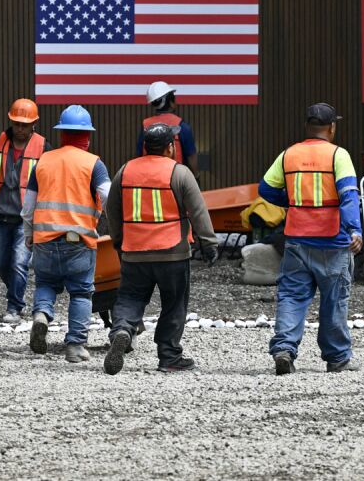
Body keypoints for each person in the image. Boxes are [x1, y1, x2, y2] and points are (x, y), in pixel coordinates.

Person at [103, 123, 218, 375]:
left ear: (145, 147)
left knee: (130, 297)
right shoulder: (180, 173)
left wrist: (118, 242)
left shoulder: (125, 172)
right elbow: (198, 211)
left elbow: (112, 211)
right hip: (173, 253)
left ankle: (122, 329)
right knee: (174, 304)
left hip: (134, 252)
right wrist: (209, 243)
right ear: (170, 147)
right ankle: (169, 356)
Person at [258, 103, 364, 375]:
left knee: (292, 296)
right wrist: (355, 230)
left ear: (307, 126)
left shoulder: (288, 155)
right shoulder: (338, 155)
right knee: (334, 299)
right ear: (331, 128)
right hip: (332, 242)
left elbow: (266, 189)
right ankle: (337, 358)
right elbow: (349, 196)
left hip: (296, 240)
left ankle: (284, 349)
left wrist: (291, 201)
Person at [21, 105, 111, 363]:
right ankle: (75, 346)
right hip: (79, 241)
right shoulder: (94, 164)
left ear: (61, 134)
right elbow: (109, 197)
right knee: (81, 292)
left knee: (46, 284)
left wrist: (30, 233)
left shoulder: (43, 162)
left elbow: (28, 207)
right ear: (87, 136)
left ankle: (41, 316)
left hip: (45, 240)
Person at [0, 98, 51, 323]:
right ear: (11, 121)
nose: (20, 128)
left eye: (25, 124)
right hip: (1, 214)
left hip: (26, 217)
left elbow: (47, 182)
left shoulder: (44, 147)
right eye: (17, 123)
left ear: (34, 123)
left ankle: (14, 307)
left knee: (18, 262)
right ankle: (16, 291)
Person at [137, 81, 198, 178]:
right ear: (171, 102)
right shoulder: (182, 127)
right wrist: (195, 178)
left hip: (150, 180)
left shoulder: (145, 127)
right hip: (175, 181)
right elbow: (191, 158)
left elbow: (139, 156)